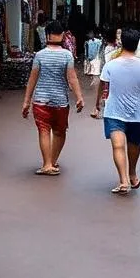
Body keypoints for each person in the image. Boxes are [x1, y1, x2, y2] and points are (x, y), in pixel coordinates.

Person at [96, 27, 140, 194]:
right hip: (134, 114)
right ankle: (126, 179)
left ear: (122, 43)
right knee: (129, 146)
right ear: (137, 44)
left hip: (115, 111)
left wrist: (97, 105)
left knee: (121, 146)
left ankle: (129, 175)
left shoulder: (110, 65)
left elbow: (103, 86)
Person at [21, 20, 85, 176]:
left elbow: (32, 79)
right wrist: (79, 97)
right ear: (62, 35)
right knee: (59, 132)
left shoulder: (39, 55)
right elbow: (72, 78)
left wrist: (26, 102)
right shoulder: (67, 55)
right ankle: (52, 161)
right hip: (60, 101)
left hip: (40, 100)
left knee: (44, 131)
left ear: (47, 35)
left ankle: (47, 163)